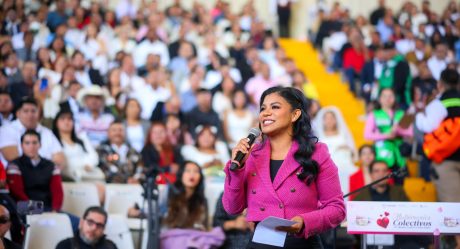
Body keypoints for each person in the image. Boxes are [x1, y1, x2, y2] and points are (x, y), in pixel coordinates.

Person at [223, 87, 345, 249]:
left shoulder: (316, 153)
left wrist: (304, 222)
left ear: (295, 114)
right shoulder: (251, 156)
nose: (265, 113)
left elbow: (337, 209)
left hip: (301, 243)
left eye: (275, 107)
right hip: (259, 244)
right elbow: (232, 208)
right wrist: (237, 169)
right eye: (262, 108)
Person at [160, 161, 225, 249]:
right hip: (172, 238)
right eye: (188, 171)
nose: (192, 175)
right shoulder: (169, 192)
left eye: (196, 171)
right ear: (181, 174)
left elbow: (204, 226)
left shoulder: (202, 201)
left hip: (194, 239)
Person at [6, 130, 63, 212]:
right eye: (27, 143)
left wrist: (55, 210)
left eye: (34, 142)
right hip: (23, 208)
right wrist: (39, 210)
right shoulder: (14, 165)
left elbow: (58, 192)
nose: (31, 146)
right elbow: (17, 193)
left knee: (75, 221)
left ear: (40, 145)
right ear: (22, 145)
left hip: (48, 208)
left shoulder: (51, 166)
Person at [364, 88, 413, 184]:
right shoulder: (374, 115)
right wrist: (386, 135)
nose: (388, 99)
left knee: (399, 188)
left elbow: (410, 132)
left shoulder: (401, 114)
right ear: (380, 99)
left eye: (391, 96)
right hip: (381, 157)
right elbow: (367, 134)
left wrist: (398, 130)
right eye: (384, 96)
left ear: (395, 98)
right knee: (381, 185)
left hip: (399, 157)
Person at [0, 98, 65, 169]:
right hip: (16, 176)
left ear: (38, 114)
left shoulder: (47, 132)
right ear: (18, 113)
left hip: (45, 176)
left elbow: (60, 160)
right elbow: (12, 158)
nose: (30, 114)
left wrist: (43, 173)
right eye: (26, 111)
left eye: (33, 111)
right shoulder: (6, 130)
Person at [313, 106, 357, 195]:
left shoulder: (343, 133)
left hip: (345, 165)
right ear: (323, 120)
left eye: (332, 118)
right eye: (327, 118)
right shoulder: (318, 136)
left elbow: (352, 149)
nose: (329, 120)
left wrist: (346, 149)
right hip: (326, 166)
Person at [52, 109, 104, 182]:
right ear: (56, 123)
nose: (66, 122)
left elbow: (93, 155)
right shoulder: (53, 141)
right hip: (68, 177)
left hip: (87, 175)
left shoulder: (82, 139)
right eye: (63, 119)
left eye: (69, 119)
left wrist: (88, 164)